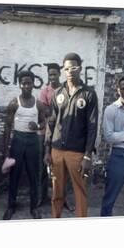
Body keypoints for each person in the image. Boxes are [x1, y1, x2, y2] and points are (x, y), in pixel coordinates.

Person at [44, 52, 98, 218]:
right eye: (67, 68)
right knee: (57, 191)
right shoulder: (57, 93)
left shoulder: (88, 94)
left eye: (73, 67)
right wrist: (47, 150)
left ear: (80, 68)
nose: (70, 71)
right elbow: (51, 123)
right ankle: (55, 219)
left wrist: (88, 156)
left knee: (80, 191)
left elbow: (92, 126)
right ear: (63, 70)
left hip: (77, 153)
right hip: (56, 151)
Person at [2, 70, 46, 220]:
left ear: (33, 84)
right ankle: (10, 206)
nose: (26, 85)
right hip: (18, 141)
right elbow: (7, 126)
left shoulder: (38, 104)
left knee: (34, 175)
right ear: (20, 84)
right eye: (23, 83)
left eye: (29, 83)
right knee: (14, 175)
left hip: (33, 141)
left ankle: (34, 207)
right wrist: (6, 149)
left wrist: (38, 126)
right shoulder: (14, 103)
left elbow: (43, 122)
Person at [39, 63, 75, 212]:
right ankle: (42, 197)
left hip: (63, 135)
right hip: (47, 132)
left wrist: (54, 111)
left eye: (55, 74)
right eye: (50, 74)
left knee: (63, 169)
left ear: (59, 75)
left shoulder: (66, 89)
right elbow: (44, 111)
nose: (52, 77)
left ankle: (63, 198)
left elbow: (69, 111)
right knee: (43, 167)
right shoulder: (44, 91)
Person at [101, 75, 124, 216]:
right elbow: (108, 136)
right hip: (119, 155)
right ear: (118, 90)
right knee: (110, 198)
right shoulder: (111, 109)